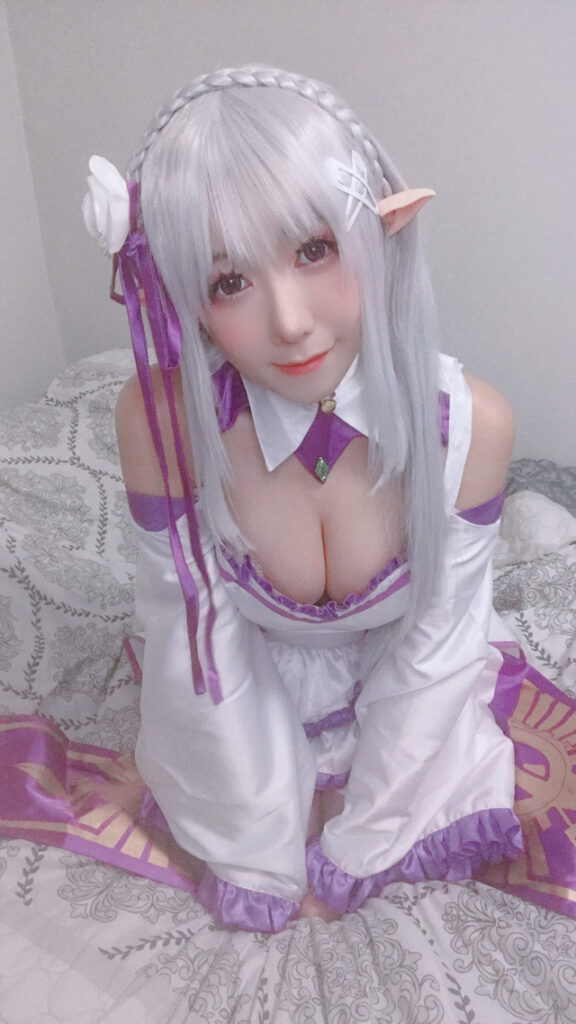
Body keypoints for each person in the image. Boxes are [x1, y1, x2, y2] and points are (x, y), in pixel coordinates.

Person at [84, 65, 521, 932]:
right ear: (184, 301)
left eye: (314, 250)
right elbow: (196, 641)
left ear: (378, 232)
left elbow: (434, 653)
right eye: (229, 282)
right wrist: (257, 857)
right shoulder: (162, 423)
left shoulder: (473, 429)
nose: (289, 322)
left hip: (404, 695)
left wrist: (364, 843)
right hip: (240, 686)